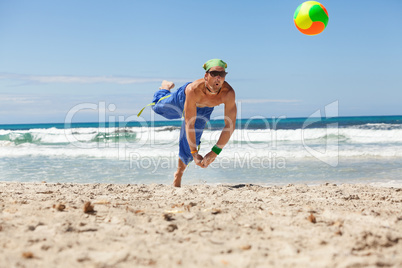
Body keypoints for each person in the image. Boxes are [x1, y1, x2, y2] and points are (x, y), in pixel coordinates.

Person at [141, 59, 237, 187]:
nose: (218, 78)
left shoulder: (228, 93)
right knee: (157, 107)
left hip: (205, 109)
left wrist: (214, 152)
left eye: (222, 75)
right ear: (206, 76)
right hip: (183, 98)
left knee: (189, 142)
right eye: (214, 74)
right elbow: (189, 124)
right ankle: (165, 87)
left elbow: (230, 125)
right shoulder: (194, 89)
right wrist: (195, 153)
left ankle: (178, 175)